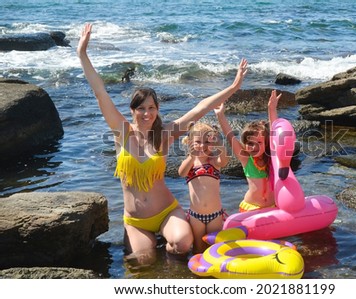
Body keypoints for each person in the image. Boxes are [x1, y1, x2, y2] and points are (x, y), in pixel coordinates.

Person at [77, 23, 247, 258]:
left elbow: (199, 109)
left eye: (151, 108)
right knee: (144, 261)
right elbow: (100, 93)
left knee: (182, 245)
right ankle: (152, 248)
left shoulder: (165, 134)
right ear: (132, 110)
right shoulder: (121, 131)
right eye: (141, 108)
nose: (146, 113)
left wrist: (233, 86)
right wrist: (82, 54)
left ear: (157, 109)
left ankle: (171, 253)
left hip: (166, 211)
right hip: (136, 219)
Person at [214, 90, 282, 212]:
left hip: (273, 206)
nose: (254, 147)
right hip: (251, 208)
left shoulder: (272, 159)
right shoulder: (245, 159)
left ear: (266, 143)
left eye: (259, 143)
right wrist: (220, 115)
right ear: (245, 144)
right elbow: (230, 136)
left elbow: (274, 134)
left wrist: (271, 109)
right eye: (250, 143)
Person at [178, 122, 229, 253]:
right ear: (190, 142)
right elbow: (181, 172)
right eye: (198, 141)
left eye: (207, 141)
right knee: (198, 248)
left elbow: (224, 161)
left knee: (214, 248)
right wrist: (191, 156)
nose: (202, 145)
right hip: (196, 216)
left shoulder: (213, 161)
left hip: (215, 215)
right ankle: (198, 272)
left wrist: (220, 146)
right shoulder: (190, 163)